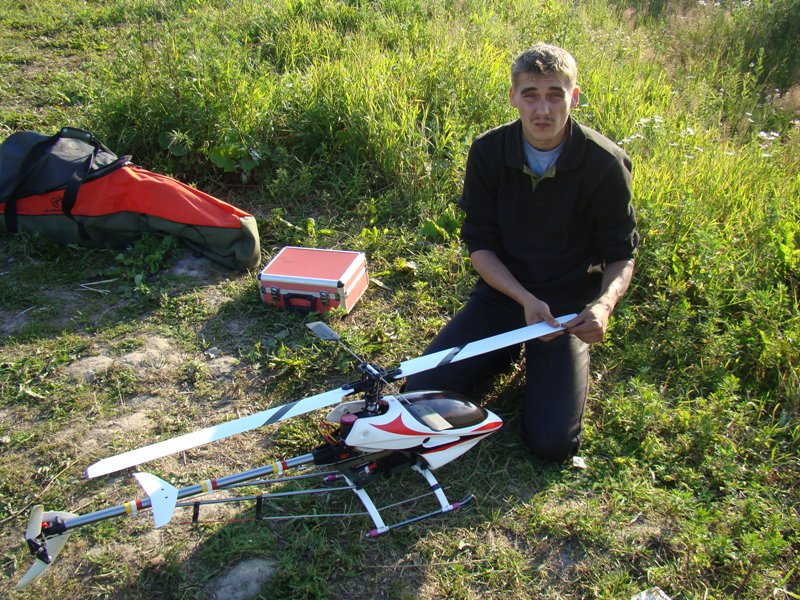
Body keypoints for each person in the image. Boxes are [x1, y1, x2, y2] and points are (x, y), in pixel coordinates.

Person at [404, 43, 640, 462]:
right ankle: (505, 347)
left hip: (564, 310)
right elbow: (480, 246)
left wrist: (603, 306)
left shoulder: (605, 163)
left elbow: (621, 253)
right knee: (418, 394)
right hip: (502, 294)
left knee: (551, 444)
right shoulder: (488, 151)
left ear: (574, 97)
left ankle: (535, 358)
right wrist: (523, 300)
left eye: (555, 95)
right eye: (530, 94)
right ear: (513, 97)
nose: (542, 109)